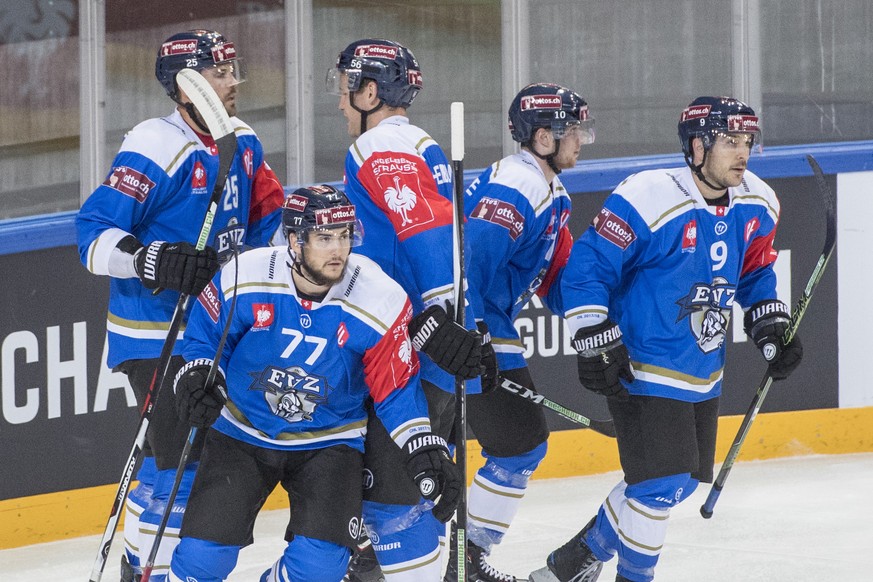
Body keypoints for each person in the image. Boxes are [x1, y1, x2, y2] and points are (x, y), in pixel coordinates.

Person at [528, 96, 803, 582]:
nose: (742, 153)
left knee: (674, 485)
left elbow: (756, 271)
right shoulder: (649, 196)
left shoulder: (759, 201)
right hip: (640, 364)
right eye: (730, 143)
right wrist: (594, 336)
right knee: (660, 484)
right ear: (697, 146)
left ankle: (573, 561)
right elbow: (586, 270)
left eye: (747, 143)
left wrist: (769, 327)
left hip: (702, 368)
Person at [167, 185, 461, 582]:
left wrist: (422, 443)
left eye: (344, 236)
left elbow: (394, 388)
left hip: (330, 441)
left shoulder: (380, 297)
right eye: (324, 238)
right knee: (201, 560)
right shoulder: (245, 274)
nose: (338, 249)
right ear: (294, 239)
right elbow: (204, 338)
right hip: (242, 430)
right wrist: (197, 374)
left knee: (320, 568)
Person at [76, 29, 285, 581]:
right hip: (153, 332)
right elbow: (92, 234)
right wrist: (152, 261)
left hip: (212, 330)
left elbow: (268, 216)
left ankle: (135, 560)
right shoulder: (154, 143)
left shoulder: (241, 141)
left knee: (181, 459)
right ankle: (150, 571)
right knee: (183, 464)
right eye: (219, 73)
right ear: (186, 84)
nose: (232, 83)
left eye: (232, 70)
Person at [326, 39, 486, 581]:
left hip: (406, 355)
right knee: (419, 489)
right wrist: (455, 319)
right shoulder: (420, 144)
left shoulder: (380, 146)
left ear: (371, 92)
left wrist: (440, 316)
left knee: (393, 502)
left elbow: (426, 232)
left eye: (348, 88)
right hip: (428, 348)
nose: (341, 102)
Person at [441, 83, 595, 582]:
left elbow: (556, 281)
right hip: (462, 327)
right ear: (544, 137)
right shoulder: (517, 184)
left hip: (482, 324)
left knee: (515, 443)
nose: (582, 141)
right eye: (574, 131)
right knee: (518, 442)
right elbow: (469, 265)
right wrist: (474, 334)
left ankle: (455, 559)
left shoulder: (550, 190)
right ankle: (454, 560)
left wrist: (600, 326)